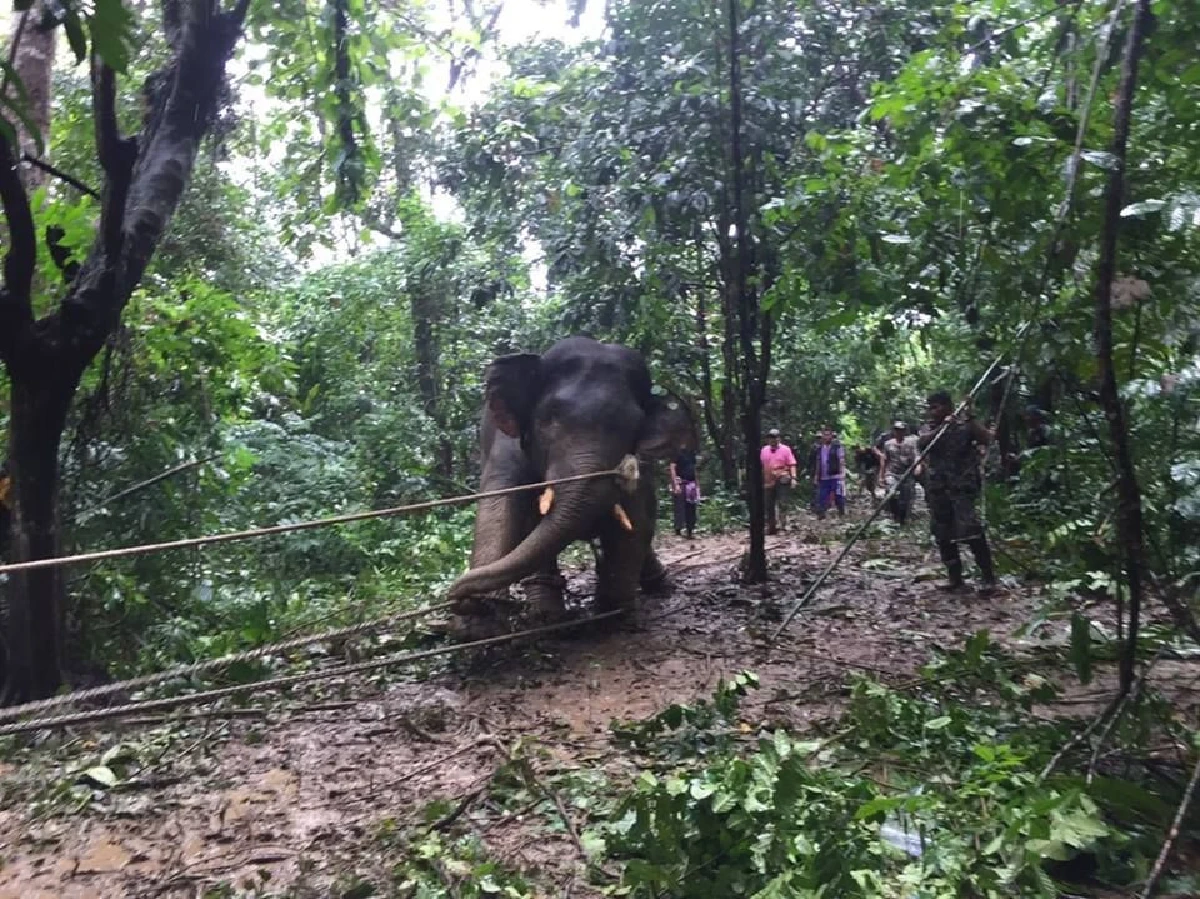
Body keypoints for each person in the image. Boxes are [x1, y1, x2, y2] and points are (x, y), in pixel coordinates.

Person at [918, 391, 996, 594]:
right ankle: (955, 578)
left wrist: (970, 417)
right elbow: (922, 444)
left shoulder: (965, 425)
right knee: (942, 533)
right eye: (931, 407)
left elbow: (987, 439)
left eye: (936, 407)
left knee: (971, 529)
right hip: (938, 489)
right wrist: (942, 427)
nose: (933, 411)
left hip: (962, 487)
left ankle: (988, 577)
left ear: (947, 406)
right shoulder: (929, 428)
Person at [876, 421, 920, 525]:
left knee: (906, 498)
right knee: (891, 495)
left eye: (901, 431)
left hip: (907, 474)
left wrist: (918, 466)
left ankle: (902, 519)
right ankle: (894, 515)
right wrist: (881, 476)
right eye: (897, 430)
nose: (899, 433)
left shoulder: (912, 442)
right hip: (892, 473)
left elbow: (917, 455)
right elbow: (884, 460)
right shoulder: (888, 444)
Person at [760, 428, 797, 534]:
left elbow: (792, 464)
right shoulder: (764, 450)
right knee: (768, 505)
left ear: (779, 439)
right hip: (768, 480)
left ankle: (783, 526)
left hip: (782, 478)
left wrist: (793, 478)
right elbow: (761, 465)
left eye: (775, 438)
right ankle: (771, 527)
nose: (773, 440)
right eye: (771, 438)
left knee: (782, 503)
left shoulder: (786, 449)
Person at [809, 426, 846, 518]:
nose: (826, 437)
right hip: (823, 476)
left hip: (836, 475)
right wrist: (816, 476)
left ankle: (841, 512)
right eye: (824, 435)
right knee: (822, 496)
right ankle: (821, 514)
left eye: (828, 435)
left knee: (838, 496)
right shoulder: (819, 448)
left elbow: (841, 460)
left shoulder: (837, 446)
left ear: (831, 436)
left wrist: (842, 473)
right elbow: (818, 462)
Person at [669, 443, 700, 539]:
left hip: (691, 483)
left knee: (691, 507)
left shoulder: (691, 454)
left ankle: (690, 530)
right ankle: (678, 530)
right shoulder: (676, 453)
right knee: (679, 507)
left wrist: (697, 485)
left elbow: (694, 469)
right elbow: (672, 468)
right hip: (681, 482)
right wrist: (675, 484)